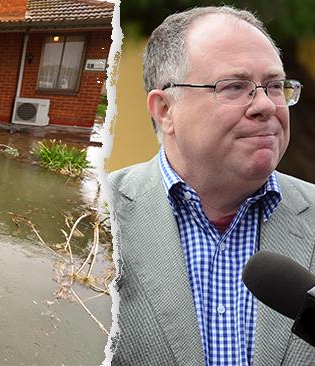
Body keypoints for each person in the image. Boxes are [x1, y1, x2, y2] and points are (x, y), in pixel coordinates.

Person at [108, 6, 315, 365]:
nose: (266, 105)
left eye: (275, 86)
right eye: (235, 87)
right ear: (165, 110)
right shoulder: (93, 216)